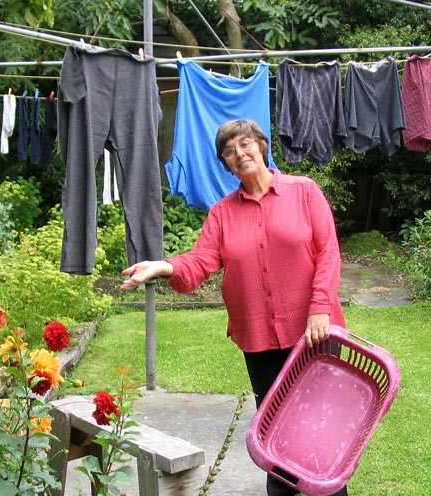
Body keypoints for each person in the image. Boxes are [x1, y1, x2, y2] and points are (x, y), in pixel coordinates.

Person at [119, 119, 348, 496]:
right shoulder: (223, 213)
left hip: (315, 333)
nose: (239, 154)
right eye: (229, 151)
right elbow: (201, 261)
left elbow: (328, 252)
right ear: (225, 163)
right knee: (276, 429)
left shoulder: (304, 191)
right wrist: (165, 265)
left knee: (320, 429)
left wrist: (320, 307)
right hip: (259, 340)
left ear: (261, 145)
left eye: (245, 144)